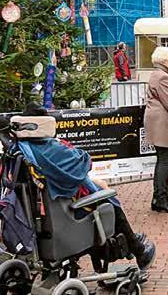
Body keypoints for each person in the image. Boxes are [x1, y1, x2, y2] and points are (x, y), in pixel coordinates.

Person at [19, 103, 156, 270]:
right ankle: (138, 250)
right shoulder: (50, 149)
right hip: (65, 212)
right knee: (107, 199)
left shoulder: (22, 148)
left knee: (99, 190)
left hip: (42, 213)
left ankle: (131, 240)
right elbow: (85, 161)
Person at [144, 46, 168, 213]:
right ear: (165, 60)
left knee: (162, 160)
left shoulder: (156, 74)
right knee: (165, 161)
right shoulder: (163, 76)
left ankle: (158, 198)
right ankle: (161, 199)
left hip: (156, 120)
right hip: (161, 122)